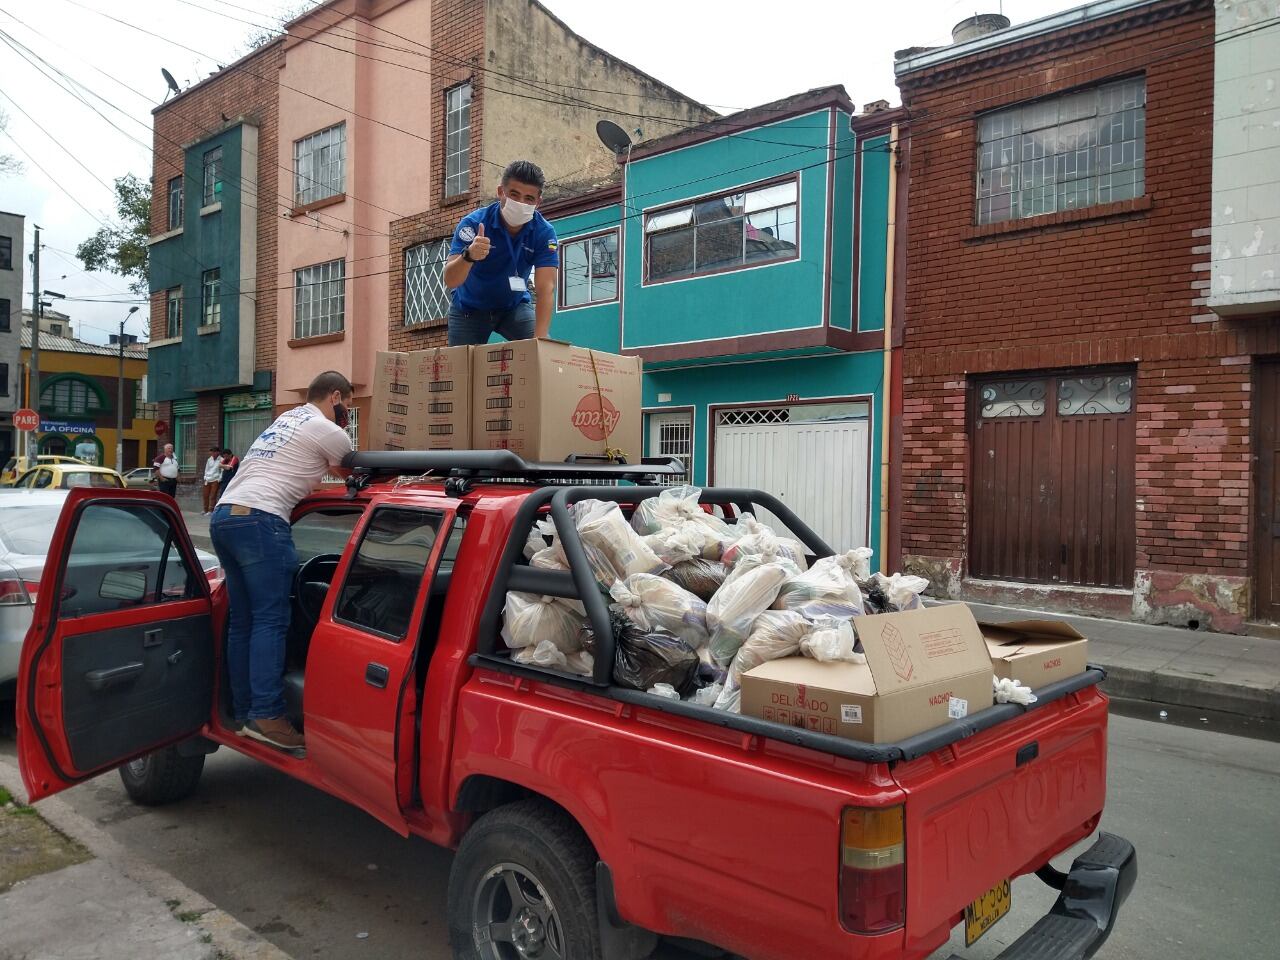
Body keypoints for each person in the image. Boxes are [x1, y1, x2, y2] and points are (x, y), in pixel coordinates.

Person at [210, 372, 355, 753]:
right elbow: (354, 479)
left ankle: (245, 713)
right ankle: (268, 716)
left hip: (225, 517)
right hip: (262, 520)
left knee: (243, 620)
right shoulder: (328, 430)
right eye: (348, 406)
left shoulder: (285, 420)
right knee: (272, 620)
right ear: (336, 396)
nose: (347, 415)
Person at [443, 159, 559, 346]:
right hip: (469, 309)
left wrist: (540, 340)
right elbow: (450, 280)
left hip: (513, 308)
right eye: (514, 194)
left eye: (529, 199)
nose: (521, 202)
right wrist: (469, 255)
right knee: (460, 372)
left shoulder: (544, 233)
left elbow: (546, 289)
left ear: (538, 203)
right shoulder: (473, 224)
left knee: (543, 355)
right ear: (500, 192)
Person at [202, 446, 223, 514]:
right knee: (205, 495)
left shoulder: (221, 460)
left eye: (214, 452)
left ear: (218, 452)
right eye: (211, 452)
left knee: (213, 495)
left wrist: (219, 479)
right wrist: (205, 477)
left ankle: (211, 510)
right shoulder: (209, 459)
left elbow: (222, 471)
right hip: (207, 479)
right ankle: (205, 510)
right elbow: (206, 469)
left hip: (215, 480)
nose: (212, 453)